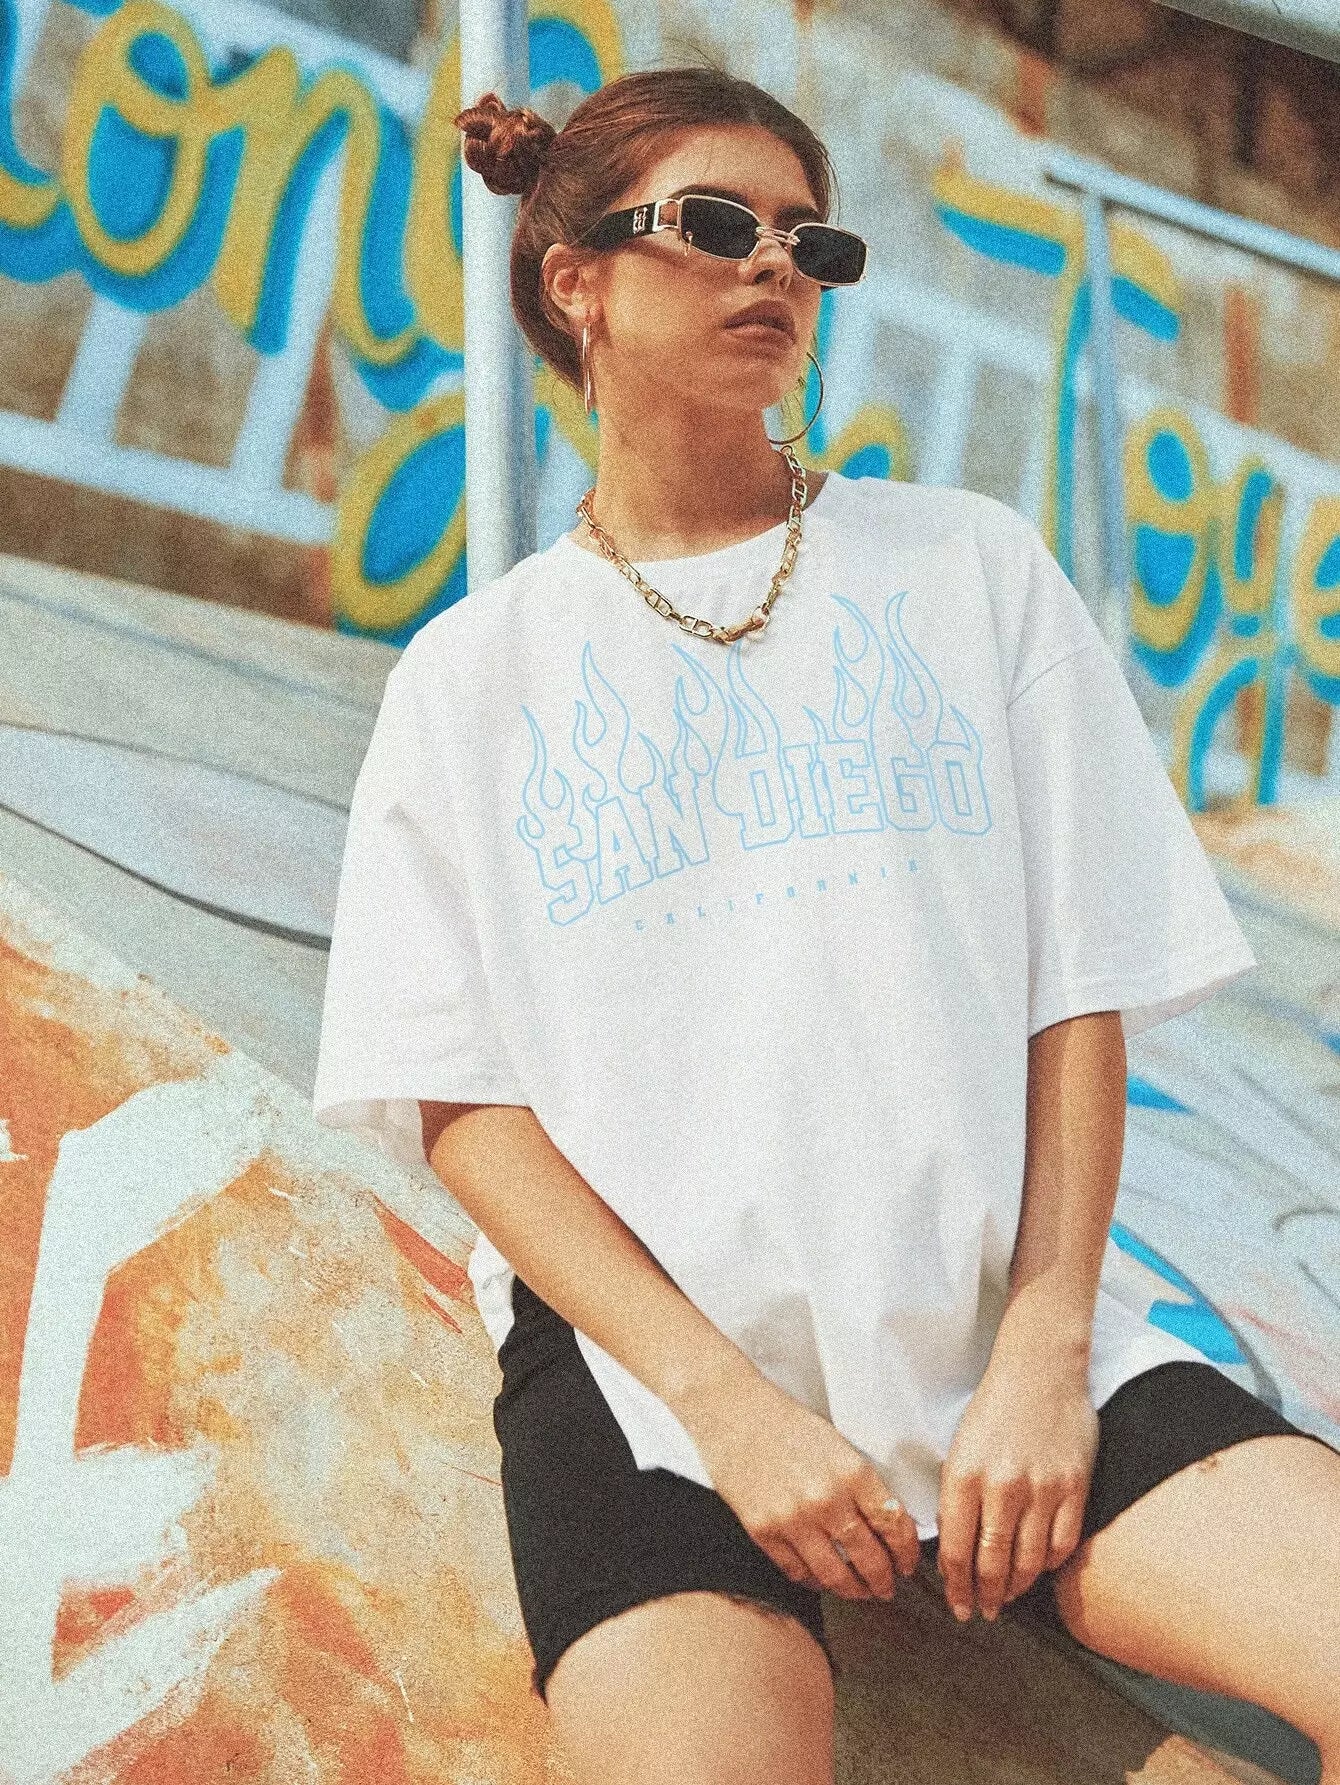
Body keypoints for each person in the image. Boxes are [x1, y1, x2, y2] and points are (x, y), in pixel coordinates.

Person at [311, 64, 1340, 1785]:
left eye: (812, 239)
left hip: (994, 1319)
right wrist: (727, 1408)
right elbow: (463, 1107)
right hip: (652, 1389)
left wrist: (1044, 1345)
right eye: (717, 226)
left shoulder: (968, 572)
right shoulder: (471, 679)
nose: (774, 265)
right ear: (576, 280)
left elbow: (1078, 988)